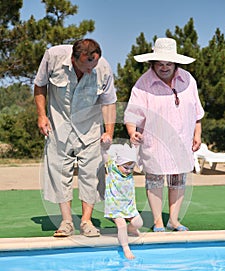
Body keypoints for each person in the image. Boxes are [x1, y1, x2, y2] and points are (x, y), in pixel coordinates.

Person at [34, 38, 117, 237]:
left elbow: (109, 102)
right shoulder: (53, 57)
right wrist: (42, 115)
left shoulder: (103, 67)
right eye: (86, 65)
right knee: (60, 171)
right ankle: (67, 221)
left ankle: (86, 221)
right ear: (73, 59)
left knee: (91, 173)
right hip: (59, 123)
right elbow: (39, 85)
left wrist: (109, 131)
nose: (91, 70)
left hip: (90, 127)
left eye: (94, 64)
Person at [124, 37, 204, 232]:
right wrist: (132, 132)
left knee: (178, 179)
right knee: (155, 179)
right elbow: (131, 113)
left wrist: (197, 134)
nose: (164, 67)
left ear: (175, 63)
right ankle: (159, 221)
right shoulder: (143, 83)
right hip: (154, 140)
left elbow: (197, 111)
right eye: (160, 64)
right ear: (153, 63)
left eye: (169, 63)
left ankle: (174, 220)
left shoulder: (188, 80)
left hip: (181, 139)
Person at [103, 143, 143, 259]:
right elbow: (104, 155)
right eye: (126, 168)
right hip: (114, 206)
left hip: (128, 206)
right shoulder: (113, 169)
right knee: (121, 225)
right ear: (118, 164)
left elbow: (136, 152)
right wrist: (104, 146)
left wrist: (137, 143)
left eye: (131, 168)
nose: (128, 171)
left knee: (138, 223)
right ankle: (126, 249)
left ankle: (130, 230)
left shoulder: (129, 174)